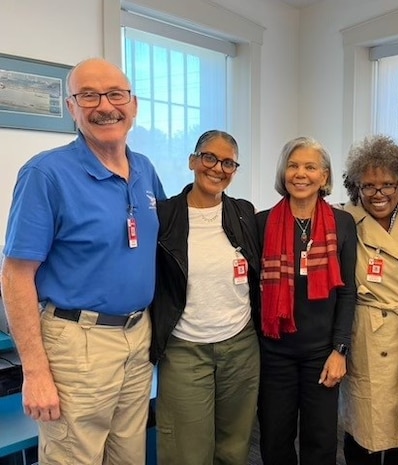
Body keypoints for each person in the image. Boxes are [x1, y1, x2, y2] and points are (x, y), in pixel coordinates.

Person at [1, 58, 165, 464]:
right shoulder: (46, 174)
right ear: (71, 108)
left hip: (137, 335)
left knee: (129, 455)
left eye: (115, 94)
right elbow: (16, 275)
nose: (104, 105)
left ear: (133, 104)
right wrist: (35, 372)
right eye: (88, 95)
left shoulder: (144, 168)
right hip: (77, 344)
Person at [150, 130, 261, 465]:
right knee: (187, 450)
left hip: (240, 346)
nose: (218, 168)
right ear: (193, 161)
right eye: (209, 157)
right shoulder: (164, 216)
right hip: (185, 349)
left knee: (234, 446)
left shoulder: (243, 213)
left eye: (228, 162)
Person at [257, 136, 357, 465]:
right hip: (274, 354)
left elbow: (346, 292)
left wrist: (339, 350)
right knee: (274, 441)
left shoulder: (342, 224)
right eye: (293, 165)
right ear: (283, 173)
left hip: (322, 354)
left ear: (324, 177)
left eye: (310, 167)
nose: (300, 174)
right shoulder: (262, 223)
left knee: (321, 442)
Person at [340, 134, 398, 465]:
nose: (378, 194)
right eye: (368, 186)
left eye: (387, 185)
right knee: (364, 430)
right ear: (356, 188)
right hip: (366, 335)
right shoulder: (345, 222)